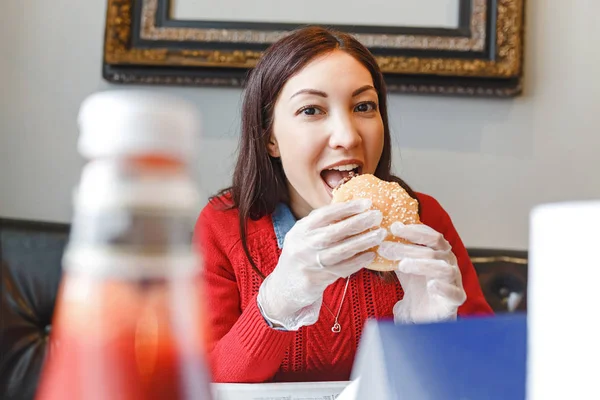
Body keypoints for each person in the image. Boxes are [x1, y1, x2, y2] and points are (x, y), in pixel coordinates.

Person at [193, 26, 493, 384]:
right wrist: (274, 306)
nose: (348, 136)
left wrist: (430, 332)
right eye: (312, 110)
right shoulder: (223, 226)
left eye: (364, 106)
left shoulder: (423, 220)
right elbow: (199, 383)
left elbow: (486, 374)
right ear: (270, 136)